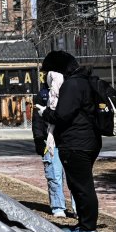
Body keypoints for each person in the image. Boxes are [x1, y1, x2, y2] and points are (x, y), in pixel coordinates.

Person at [38, 50, 101, 232]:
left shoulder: (72, 85)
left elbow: (62, 115)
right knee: (81, 184)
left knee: (81, 186)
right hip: (88, 140)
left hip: (76, 143)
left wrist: (45, 113)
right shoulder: (84, 81)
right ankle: (84, 224)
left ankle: (88, 228)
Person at [32, 77, 71, 218]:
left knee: (75, 177)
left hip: (69, 140)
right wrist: (38, 139)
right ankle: (58, 207)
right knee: (54, 175)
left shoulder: (71, 93)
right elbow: (37, 119)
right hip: (50, 140)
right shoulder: (43, 95)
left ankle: (79, 208)